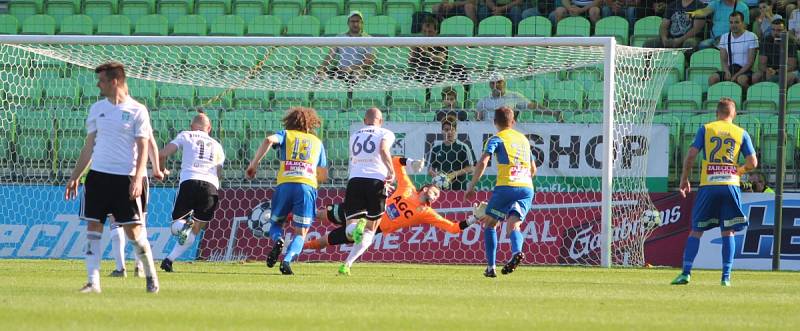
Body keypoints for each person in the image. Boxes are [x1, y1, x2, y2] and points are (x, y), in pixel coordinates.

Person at [64, 61, 161, 293]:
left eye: (102, 81)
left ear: (115, 81)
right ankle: (93, 282)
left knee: (134, 233)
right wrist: (75, 176)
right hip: (97, 177)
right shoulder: (97, 109)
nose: (98, 85)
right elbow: (89, 146)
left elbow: (143, 146)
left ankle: (150, 275)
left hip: (124, 179)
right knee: (93, 228)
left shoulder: (138, 110)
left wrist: (138, 179)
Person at [304, 157, 487, 274]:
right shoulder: (407, 188)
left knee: (322, 243)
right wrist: (412, 162)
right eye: (435, 191)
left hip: (374, 226)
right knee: (322, 215)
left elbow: (453, 228)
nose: (437, 194)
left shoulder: (426, 213)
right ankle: (295, 217)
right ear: (426, 187)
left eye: (439, 195)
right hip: (368, 208)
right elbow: (395, 160)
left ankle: (308, 250)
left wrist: (474, 219)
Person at [672, 98, 758, 287]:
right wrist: (739, 171)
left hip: (708, 186)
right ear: (733, 114)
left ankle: (686, 273)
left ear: (717, 113)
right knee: (728, 232)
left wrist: (684, 178)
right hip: (730, 185)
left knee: (696, 230)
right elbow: (753, 163)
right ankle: (725, 277)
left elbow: (692, 155)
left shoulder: (706, 128)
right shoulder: (741, 133)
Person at [246, 107, 328, 275]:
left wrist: (253, 165)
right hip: (306, 187)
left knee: (276, 224)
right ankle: (287, 260)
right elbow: (323, 174)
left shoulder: (286, 134)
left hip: (285, 185)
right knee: (301, 232)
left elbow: (268, 140)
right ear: (311, 123)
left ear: (289, 121)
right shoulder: (317, 143)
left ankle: (278, 240)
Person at [465, 106, 536, 278]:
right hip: (527, 188)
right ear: (513, 122)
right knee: (514, 225)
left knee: (490, 223)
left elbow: (483, 162)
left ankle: (491, 268)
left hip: (506, 186)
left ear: (495, 122)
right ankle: (516, 252)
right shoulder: (524, 140)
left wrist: (472, 185)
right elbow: (534, 169)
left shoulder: (496, 139)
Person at [158, 111, 225, 273]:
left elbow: (163, 153)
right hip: (211, 186)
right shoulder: (217, 145)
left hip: (189, 181)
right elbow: (219, 171)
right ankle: (169, 260)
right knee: (195, 230)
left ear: (192, 126)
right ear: (209, 128)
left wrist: (162, 170)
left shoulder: (186, 135)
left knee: (176, 225)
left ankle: (182, 227)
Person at [338, 107, 396, 275]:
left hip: (355, 181)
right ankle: (347, 263)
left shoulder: (354, 135)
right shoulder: (385, 133)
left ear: (364, 120)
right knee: (371, 229)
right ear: (381, 121)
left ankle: (347, 263)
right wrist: (391, 171)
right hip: (376, 182)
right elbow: (384, 150)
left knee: (351, 229)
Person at [316, 11, 375, 86]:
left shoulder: (368, 39)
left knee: (356, 75)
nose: (355, 24)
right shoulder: (340, 37)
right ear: (348, 23)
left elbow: (369, 61)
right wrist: (322, 68)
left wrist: (351, 68)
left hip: (358, 70)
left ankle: (351, 96)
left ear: (362, 23)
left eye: (358, 21)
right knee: (319, 76)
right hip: (340, 69)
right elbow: (330, 55)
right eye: (352, 21)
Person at [708, 11, 759, 90]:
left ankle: (747, 97)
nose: (733, 25)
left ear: (743, 23)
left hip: (745, 70)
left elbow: (750, 62)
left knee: (741, 80)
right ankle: (717, 99)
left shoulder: (751, 36)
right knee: (712, 78)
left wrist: (736, 75)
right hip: (730, 69)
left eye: (736, 22)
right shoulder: (725, 37)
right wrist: (726, 71)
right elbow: (723, 60)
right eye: (731, 22)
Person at [428, 116, 476, 191]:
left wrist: (454, 174)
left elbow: (471, 168)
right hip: (440, 189)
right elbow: (431, 168)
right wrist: (435, 174)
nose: (449, 132)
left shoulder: (463, 147)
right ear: (442, 131)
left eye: (452, 130)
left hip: (459, 189)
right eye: (446, 130)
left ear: (456, 131)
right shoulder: (436, 148)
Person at [476, 77, 553, 122]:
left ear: (504, 83)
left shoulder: (514, 96)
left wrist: (554, 113)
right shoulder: (483, 101)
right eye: (493, 82)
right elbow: (478, 120)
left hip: (508, 132)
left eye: (499, 82)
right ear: (489, 85)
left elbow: (533, 106)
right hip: (487, 132)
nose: (496, 85)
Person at [753, 18, 798, 84]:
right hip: (770, 70)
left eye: (779, 30)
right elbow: (761, 64)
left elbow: (792, 66)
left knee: (788, 77)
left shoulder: (791, 42)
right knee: (755, 77)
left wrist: (776, 71)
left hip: (787, 71)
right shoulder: (766, 40)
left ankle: (781, 94)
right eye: (773, 30)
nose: (775, 33)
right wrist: (767, 70)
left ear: (785, 30)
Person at [408, 15, 448, 84]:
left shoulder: (441, 44)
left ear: (436, 31)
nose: (427, 34)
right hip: (419, 74)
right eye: (424, 31)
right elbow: (410, 63)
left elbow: (441, 59)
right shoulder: (417, 44)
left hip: (436, 75)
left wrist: (426, 52)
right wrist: (413, 51)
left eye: (430, 32)